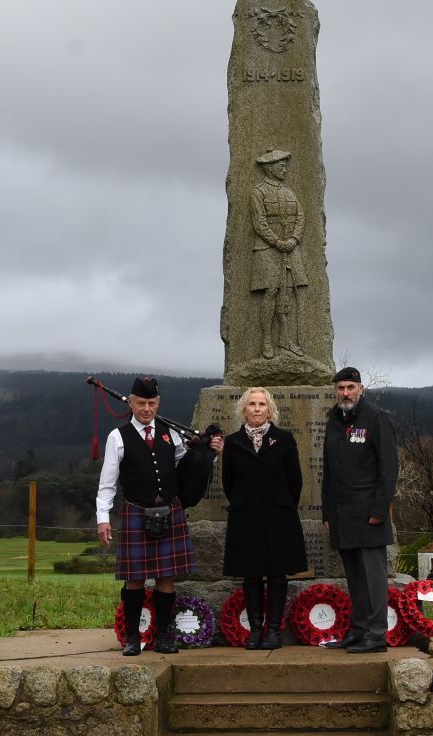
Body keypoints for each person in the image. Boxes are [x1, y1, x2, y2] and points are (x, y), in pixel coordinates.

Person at [96, 376, 223, 655]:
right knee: (135, 579)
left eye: (151, 403)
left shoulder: (170, 434)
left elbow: (185, 467)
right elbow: (107, 482)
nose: (146, 409)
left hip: (169, 511)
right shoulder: (118, 437)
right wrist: (102, 517)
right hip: (136, 512)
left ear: (158, 403)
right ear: (130, 403)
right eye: (140, 403)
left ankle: (164, 636)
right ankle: (132, 637)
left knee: (167, 578)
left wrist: (204, 451)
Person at [221, 387, 309, 649]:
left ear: (270, 409)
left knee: (277, 575)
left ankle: (273, 631)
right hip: (245, 517)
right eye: (252, 404)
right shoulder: (234, 442)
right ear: (243, 409)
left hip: (278, 516)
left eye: (262, 404)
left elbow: (295, 481)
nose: (257, 409)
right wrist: (245, 503)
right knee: (251, 575)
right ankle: (255, 630)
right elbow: (229, 483)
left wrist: (280, 505)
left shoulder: (283, 439)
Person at [321, 366, 399, 653]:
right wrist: (327, 513)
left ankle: (376, 635)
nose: (345, 393)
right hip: (342, 515)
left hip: (369, 514)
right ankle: (358, 631)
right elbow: (329, 473)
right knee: (355, 579)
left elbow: (388, 469)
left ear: (361, 390)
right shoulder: (333, 420)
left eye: (350, 388)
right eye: (341, 388)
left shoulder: (377, 419)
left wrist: (380, 509)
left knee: (373, 580)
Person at [250, 149, 308, 360]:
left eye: (285, 165)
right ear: (269, 168)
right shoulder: (259, 192)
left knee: (288, 292)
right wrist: (277, 242)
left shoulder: (288, 192)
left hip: (290, 248)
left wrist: (293, 239)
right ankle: (267, 340)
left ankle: (285, 339)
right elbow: (259, 222)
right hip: (267, 249)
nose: (284, 169)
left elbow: (301, 216)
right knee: (272, 291)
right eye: (280, 166)